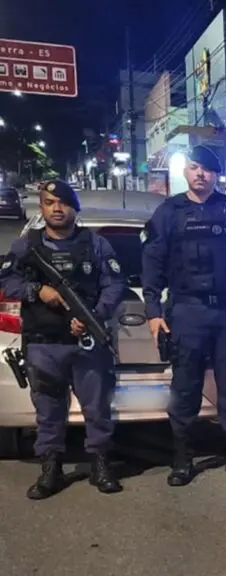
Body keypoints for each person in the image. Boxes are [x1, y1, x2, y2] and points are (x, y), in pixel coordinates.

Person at [141, 145, 226, 486]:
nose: (201, 174)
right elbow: (152, 263)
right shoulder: (168, 213)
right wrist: (153, 311)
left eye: (207, 169)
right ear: (186, 172)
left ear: (216, 175)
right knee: (186, 386)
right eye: (195, 167)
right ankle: (182, 457)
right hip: (187, 310)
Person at [0, 180, 126, 499]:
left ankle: (100, 464)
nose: (57, 208)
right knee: (48, 410)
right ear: (42, 207)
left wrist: (93, 316)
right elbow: (6, 279)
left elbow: (114, 285)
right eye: (50, 202)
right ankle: (51, 468)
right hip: (44, 343)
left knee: (97, 407)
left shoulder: (95, 245)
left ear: (74, 208)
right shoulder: (27, 245)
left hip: (87, 343)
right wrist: (37, 290)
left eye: (64, 202)